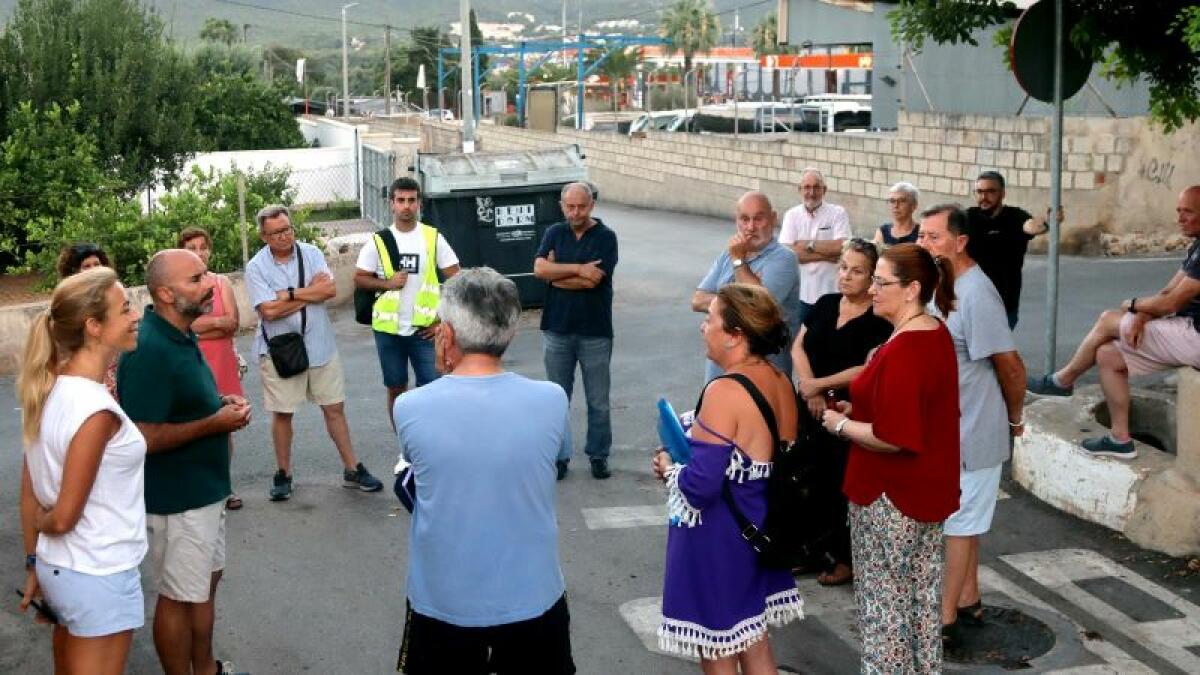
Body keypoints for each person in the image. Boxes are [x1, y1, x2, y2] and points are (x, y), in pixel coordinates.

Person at [393, 268, 575, 675]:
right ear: (509, 332)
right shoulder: (551, 400)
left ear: (447, 334)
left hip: (442, 602)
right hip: (535, 597)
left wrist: (445, 376)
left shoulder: (410, 407)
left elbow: (419, 471)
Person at [819, 243, 960, 674]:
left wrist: (838, 425)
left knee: (886, 618)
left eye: (881, 281)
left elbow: (892, 437)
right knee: (918, 609)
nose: (873, 289)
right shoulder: (933, 333)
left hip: (890, 499)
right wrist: (857, 411)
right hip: (920, 496)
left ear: (912, 288)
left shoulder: (904, 349)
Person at [653, 284, 805, 672]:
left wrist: (671, 467)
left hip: (720, 538)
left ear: (736, 335)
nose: (703, 328)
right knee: (754, 641)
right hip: (759, 526)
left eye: (711, 320)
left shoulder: (724, 390)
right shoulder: (778, 379)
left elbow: (700, 488)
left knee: (718, 645)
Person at [117, 249, 252, 675]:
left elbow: (183, 405)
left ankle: (207, 669)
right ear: (165, 293)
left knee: (204, 589)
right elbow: (142, 436)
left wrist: (218, 404)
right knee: (178, 597)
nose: (208, 283)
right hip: (177, 500)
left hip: (205, 490)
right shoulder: (149, 349)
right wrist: (214, 422)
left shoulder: (182, 332)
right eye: (195, 279)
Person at [17, 267, 145, 675]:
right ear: (93, 326)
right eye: (125, 309)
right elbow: (63, 514)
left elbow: (33, 486)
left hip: (67, 569)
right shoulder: (94, 410)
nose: (136, 315)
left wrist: (35, 555)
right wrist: (43, 521)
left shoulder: (51, 390)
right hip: (98, 571)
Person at [916, 205, 1027, 646]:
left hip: (974, 430)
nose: (923, 244)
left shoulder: (977, 292)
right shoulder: (944, 285)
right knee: (967, 518)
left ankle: (944, 620)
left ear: (960, 242)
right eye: (921, 236)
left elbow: (1010, 364)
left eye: (933, 237)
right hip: (949, 430)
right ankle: (969, 598)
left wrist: (1014, 417)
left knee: (960, 524)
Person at [1028, 185, 1200, 458]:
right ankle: (1120, 440)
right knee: (1107, 354)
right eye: (1179, 211)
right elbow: (1167, 292)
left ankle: (1062, 381)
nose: (1179, 218)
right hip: (1186, 333)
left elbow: (1170, 304)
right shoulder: (1197, 246)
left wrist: (1131, 305)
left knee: (1108, 319)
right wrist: (1141, 315)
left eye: (1187, 212)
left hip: (1195, 336)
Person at [245, 205, 383, 501]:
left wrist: (290, 295)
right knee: (283, 414)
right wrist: (309, 293)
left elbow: (330, 290)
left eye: (287, 229)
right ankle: (283, 474)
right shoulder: (256, 267)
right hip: (280, 352)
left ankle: (352, 468)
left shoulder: (311, 253)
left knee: (334, 409)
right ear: (263, 236)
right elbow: (268, 311)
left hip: (320, 346)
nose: (284, 236)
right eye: (276, 233)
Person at [789, 238, 892, 587]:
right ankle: (808, 549)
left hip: (847, 412)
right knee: (804, 479)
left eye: (857, 271)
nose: (846, 276)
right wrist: (809, 385)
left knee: (839, 484)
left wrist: (820, 386)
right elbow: (798, 345)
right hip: (809, 406)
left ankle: (843, 558)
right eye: (844, 267)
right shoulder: (825, 303)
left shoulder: (879, 320)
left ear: (872, 277)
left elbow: (867, 369)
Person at [354, 176, 460, 426]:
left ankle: (431, 444)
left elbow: (458, 280)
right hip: (388, 331)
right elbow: (359, 279)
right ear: (391, 203)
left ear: (419, 203)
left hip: (425, 331)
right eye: (400, 200)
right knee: (396, 390)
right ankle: (405, 445)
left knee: (432, 391)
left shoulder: (432, 238)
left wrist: (442, 321)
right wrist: (387, 283)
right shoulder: (378, 241)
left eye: (411, 200)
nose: (406, 206)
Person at [533, 182, 618, 480]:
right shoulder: (554, 232)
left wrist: (557, 276)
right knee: (557, 398)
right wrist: (579, 269)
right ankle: (559, 456)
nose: (576, 212)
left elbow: (593, 281)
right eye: (570, 206)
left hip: (595, 331)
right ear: (562, 206)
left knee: (598, 399)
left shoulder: (606, 237)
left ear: (591, 204)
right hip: (557, 328)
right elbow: (539, 269)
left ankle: (598, 455)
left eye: (581, 206)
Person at [693, 191, 800, 381]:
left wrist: (738, 262)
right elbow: (697, 300)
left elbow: (758, 307)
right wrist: (741, 297)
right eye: (744, 219)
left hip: (762, 376)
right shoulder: (728, 255)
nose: (751, 227)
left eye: (759, 219)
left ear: (773, 219)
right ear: (737, 221)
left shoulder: (784, 259)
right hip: (720, 373)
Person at [180, 227, 246, 511]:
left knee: (224, 426)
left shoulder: (221, 284)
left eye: (203, 246)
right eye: (192, 248)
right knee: (193, 424)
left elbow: (233, 323)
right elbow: (184, 327)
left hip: (222, 360)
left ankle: (224, 486)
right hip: (193, 362)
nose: (199, 252)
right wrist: (215, 324)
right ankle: (197, 486)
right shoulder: (181, 288)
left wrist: (204, 326)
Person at [966, 170, 1059, 329]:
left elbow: (1032, 227)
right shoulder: (967, 217)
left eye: (990, 191)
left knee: (996, 352)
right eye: (979, 192)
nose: (984, 197)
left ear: (1002, 193)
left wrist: (1048, 222)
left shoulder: (1015, 216)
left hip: (1003, 303)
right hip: (970, 302)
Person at [778, 168, 852, 325]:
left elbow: (843, 248)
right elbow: (788, 254)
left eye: (816, 187)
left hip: (831, 291)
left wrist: (808, 245)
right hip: (801, 294)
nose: (811, 192)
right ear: (800, 190)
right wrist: (828, 254)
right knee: (800, 341)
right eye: (807, 187)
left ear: (824, 190)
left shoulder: (837, 213)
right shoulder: (791, 215)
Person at [873, 182, 920, 247]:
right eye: (892, 201)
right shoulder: (883, 231)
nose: (896, 205)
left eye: (902, 201)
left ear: (914, 205)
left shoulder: (921, 233)